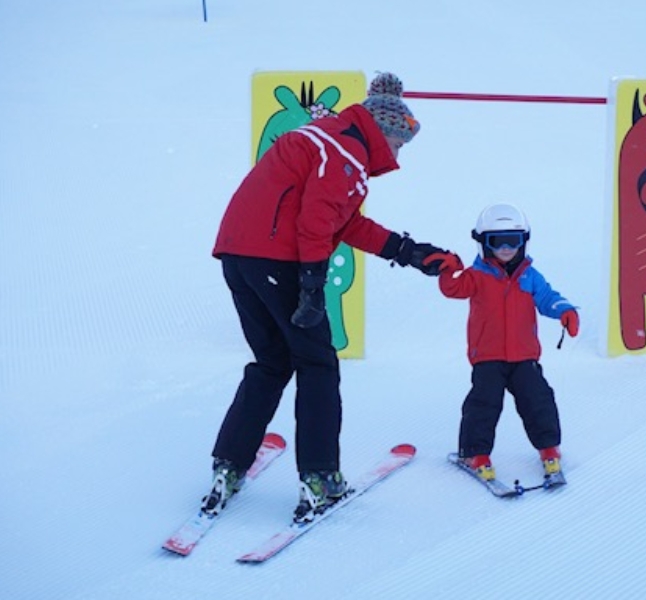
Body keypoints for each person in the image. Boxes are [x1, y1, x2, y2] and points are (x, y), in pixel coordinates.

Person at [204, 72, 448, 523]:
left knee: (271, 362)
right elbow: (317, 223)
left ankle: (229, 464)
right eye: (397, 145)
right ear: (384, 131)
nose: (396, 156)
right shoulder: (346, 152)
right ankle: (320, 478)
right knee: (318, 365)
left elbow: (343, 221)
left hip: (239, 254)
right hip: (278, 258)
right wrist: (312, 287)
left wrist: (407, 251)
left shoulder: (328, 137)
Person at [427, 203, 579, 482]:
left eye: (514, 241)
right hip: (488, 356)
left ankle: (549, 448)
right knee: (483, 404)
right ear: (484, 244)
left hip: (524, 356)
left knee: (538, 400)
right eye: (498, 242)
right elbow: (454, 289)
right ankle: (475, 453)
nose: (507, 248)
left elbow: (547, 297)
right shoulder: (477, 276)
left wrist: (565, 310)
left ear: (524, 242)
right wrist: (448, 270)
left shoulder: (529, 276)